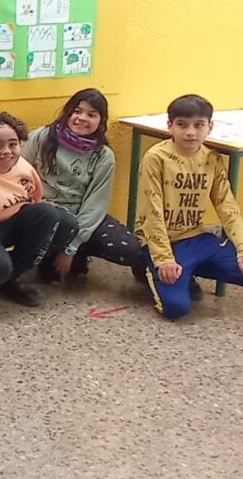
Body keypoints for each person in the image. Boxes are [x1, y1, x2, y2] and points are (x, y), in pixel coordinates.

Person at [0, 112, 78, 329]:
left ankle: (13, 277)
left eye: (13, 144)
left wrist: (42, 217)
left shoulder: (23, 166)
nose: (7, 151)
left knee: (62, 221)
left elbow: (35, 197)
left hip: (15, 220)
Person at [136, 94, 243, 320]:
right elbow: (151, 213)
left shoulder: (212, 159)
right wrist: (163, 258)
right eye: (182, 125)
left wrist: (242, 248)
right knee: (177, 308)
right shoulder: (156, 158)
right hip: (164, 242)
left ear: (210, 127)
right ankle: (149, 267)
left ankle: (189, 269)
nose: (190, 132)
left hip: (197, 239)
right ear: (170, 126)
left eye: (198, 125)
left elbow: (228, 208)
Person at [21, 89, 144, 282]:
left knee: (129, 249)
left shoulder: (103, 156)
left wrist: (72, 248)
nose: (82, 118)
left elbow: (95, 204)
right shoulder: (41, 137)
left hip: (80, 216)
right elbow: (18, 173)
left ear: (101, 121)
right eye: (77, 111)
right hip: (46, 212)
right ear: (67, 112)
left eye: (91, 115)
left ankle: (78, 252)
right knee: (50, 271)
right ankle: (50, 256)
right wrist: (35, 203)